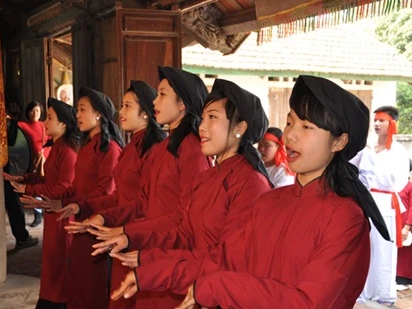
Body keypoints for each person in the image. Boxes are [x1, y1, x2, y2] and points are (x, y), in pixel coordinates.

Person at [111, 75, 390, 309]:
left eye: (307, 127)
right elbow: (225, 259)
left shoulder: (345, 217)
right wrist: (152, 272)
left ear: (339, 141)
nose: (291, 135)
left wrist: (217, 286)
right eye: (291, 122)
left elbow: (305, 302)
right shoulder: (271, 202)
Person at [92, 78, 272, 297]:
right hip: (189, 280)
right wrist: (137, 245)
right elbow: (184, 232)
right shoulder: (207, 177)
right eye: (203, 117)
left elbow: (228, 261)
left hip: (211, 291)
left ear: (240, 128)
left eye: (213, 117)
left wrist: (157, 269)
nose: (203, 126)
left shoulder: (251, 184)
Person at [77, 66, 211, 309]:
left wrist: (130, 233)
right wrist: (104, 217)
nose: (154, 101)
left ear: (182, 104)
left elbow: (187, 220)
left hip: (169, 256)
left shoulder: (192, 150)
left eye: (162, 94)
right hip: (148, 247)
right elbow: (142, 203)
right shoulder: (162, 149)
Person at [64, 80, 166, 309]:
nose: (121, 111)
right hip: (121, 231)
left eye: (128, 106)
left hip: (138, 234)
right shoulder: (132, 146)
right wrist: (85, 209)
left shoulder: (154, 150)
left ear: (146, 114)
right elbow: (118, 196)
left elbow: (143, 203)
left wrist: (104, 217)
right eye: (122, 105)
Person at [21, 87, 123, 309]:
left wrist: (76, 204)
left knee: (93, 287)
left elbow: (107, 192)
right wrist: (58, 202)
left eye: (82, 109)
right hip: (80, 223)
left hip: (97, 226)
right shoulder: (86, 147)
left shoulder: (110, 149)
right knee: (78, 284)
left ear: (98, 114)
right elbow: (75, 188)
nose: (77, 115)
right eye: (76, 109)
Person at [5, 97, 80, 309]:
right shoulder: (57, 148)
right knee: (51, 267)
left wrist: (31, 189)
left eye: (50, 118)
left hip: (63, 218)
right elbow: (50, 181)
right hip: (53, 215)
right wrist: (26, 179)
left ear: (63, 124)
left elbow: (64, 188)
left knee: (58, 269)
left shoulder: (68, 152)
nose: (45, 123)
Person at [351, 106, 410, 306]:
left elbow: (399, 180)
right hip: (365, 200)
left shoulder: (399, 152)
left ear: (391, 124)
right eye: (375, 120)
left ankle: (384, 293)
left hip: (386, 203)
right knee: (365, 247)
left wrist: (372, 174)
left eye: (381, 120)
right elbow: (354, 169)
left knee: (384, 249)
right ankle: (362, 290)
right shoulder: (366, 147)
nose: (376, 124)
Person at [4, 101, 39, 251]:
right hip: (2, 172)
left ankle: (22, 237)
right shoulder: (7, 122)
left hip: (4, 171)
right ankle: (22, 237)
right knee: (13, 204)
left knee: (13, 204)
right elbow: (11, 140)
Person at [18, 101, 51, 227]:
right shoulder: (24, 126)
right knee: (36, 188)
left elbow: (52, 140)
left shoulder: (44, 125)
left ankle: (47, 211)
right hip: (33, 162)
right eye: (32, 110)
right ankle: (37, 215)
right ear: (28, 112)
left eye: (37, 111)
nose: (35, 113)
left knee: (47, 187)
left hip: (46, 159)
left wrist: (46, 154)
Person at [397, 160, 412, 290]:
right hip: (399, 221)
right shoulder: (400, 183)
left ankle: (405, 279)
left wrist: (407, 226)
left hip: (406, 223)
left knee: (406, 253)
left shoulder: (410, 184)